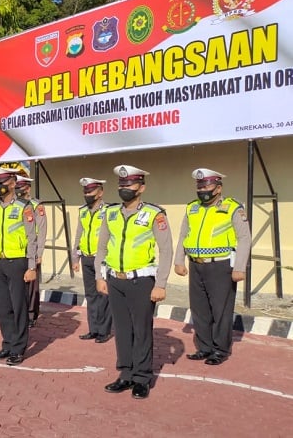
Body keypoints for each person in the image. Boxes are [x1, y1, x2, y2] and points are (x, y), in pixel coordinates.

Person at [95, 165, 172, 400]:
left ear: (141, 188)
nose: (124, 188)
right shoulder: (110, 213)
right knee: (122, 330)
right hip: (115, 280)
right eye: (121, 184)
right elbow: (101, 246)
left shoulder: (154, 214)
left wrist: (161, 284)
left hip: (141, 281)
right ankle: (125, 374)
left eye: (129, 184)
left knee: (141, 330)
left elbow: (166, 250)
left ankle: (142, 378)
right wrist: (100, 276)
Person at [174, 168, 251, 366]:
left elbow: (244, 238)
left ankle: (220, 349)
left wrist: (240, 267)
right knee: (199, 309)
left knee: (220, 310)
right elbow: (184, 235)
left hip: (221, 266)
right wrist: (179, 260)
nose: (202, 189)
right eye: (199, 186)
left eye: (206, 185)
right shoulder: (192, 208)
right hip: (196, 265)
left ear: (218, 188)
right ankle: (204, 347)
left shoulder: (233, 207)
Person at [0, 166, 37, 365]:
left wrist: (31, 266)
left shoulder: (24, 207)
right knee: (3, 307)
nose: (0, 187)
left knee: (18, 306)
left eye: (4, 183)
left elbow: (32, 237)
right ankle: (7, 344)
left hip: (18, 262)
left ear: (13, 184)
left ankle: (18, 348)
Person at [72, 178, 112, 343]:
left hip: (102, 258)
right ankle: (93, 329)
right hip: (86, 257)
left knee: (103, 294)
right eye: (85, 192)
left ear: (100, 192)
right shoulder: (82, 211)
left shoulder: (109, 211)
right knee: (90, 295)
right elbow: (78, 234)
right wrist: (75, 257)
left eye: (90, 191)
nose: (87, 195)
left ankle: (104, 330)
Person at [15, 174, 47, 327]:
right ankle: (21, 313)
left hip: (32, 250)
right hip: (18, 251)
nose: (18, 190)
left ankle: (31, 314)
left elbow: (41, 230)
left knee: (32, 286)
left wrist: (39, 253)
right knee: (20, 285)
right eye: (16, 187)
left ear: (27, 188)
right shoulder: (14, 205)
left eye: (20, 187)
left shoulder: (36, 205)